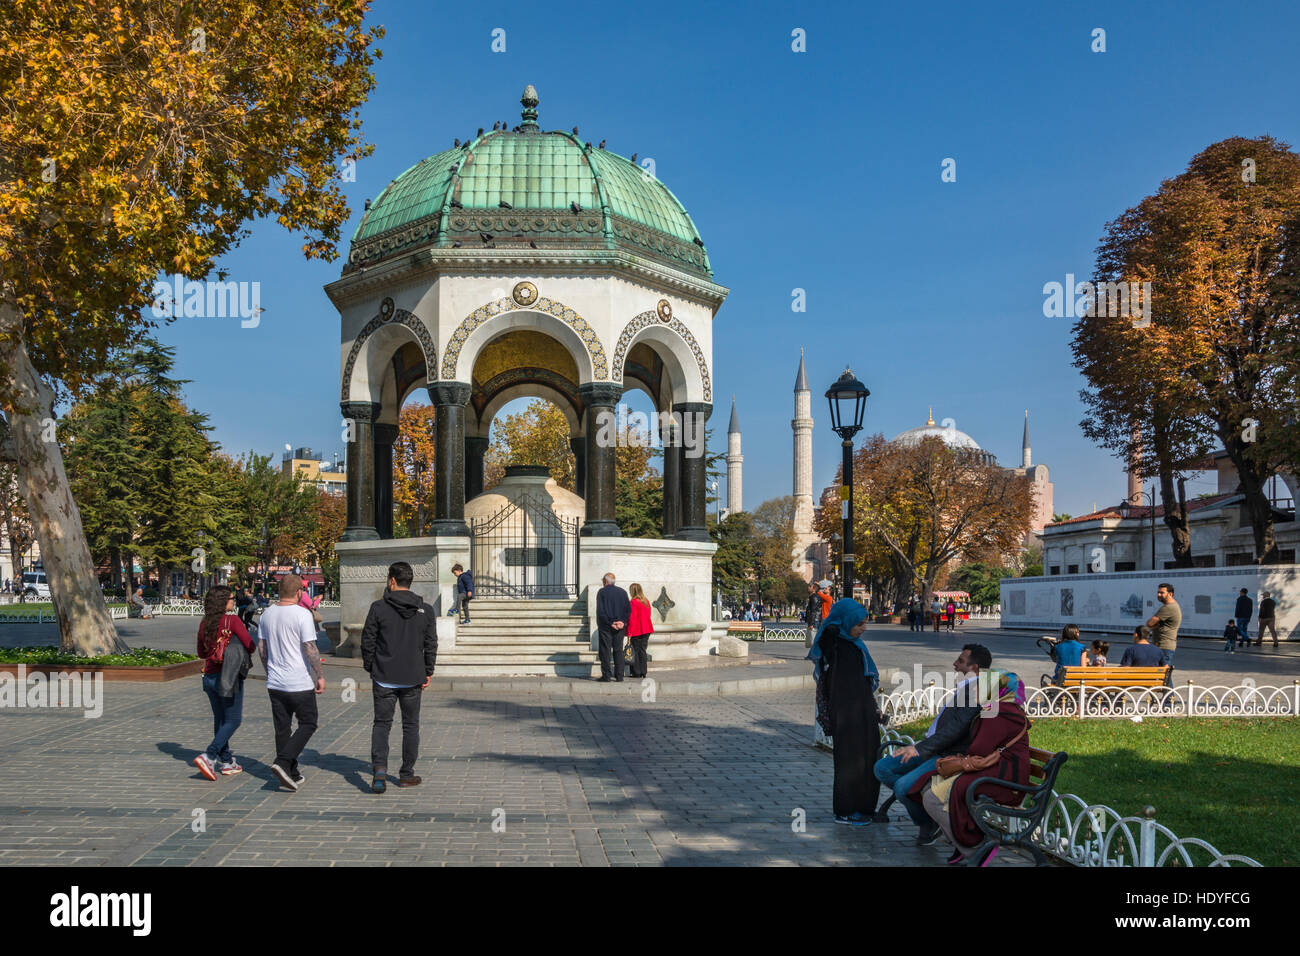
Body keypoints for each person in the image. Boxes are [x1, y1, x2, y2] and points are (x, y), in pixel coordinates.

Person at [909, 672, 1031, 867]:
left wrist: (964, 755)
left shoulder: (998, 712)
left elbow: (979, 749)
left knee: (932, 798)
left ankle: (976, 848)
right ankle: (961, 840)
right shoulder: (998, 708)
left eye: (980, 686)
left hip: (1006, 780)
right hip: (996, 770)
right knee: (927, 787)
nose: (974, 689)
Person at [874, 644, 990, 844]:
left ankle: (927, 823)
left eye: (960, 661)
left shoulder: (978, 691)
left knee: (902, 787)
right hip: (931, 746)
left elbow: (954, 731)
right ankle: (923, 804)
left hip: (947, 754)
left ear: (975, 668)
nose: (954, 664)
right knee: (882, 768)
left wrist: (918, 748)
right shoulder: (967, 686)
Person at [361, 561, 437, 793]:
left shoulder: (378, 608)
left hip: (384, 676)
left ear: (392, 580)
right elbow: (431, 643)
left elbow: (368, 641)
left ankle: (380, 772)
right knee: (410, 725)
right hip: (413, 676)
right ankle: (406, 774)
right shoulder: (425, 609)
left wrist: (371, 667)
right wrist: (428, 671)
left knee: (382, 724)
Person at [808, 599, 881, 826]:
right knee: (850, 763)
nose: (864, 628)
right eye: (859, 624)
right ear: (846, 621)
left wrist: (871, 707)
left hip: (863, 713)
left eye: (865, 623)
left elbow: (862, 682)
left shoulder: (854, 644)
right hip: (847, 715)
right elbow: (836, 686)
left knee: (868, 760)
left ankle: (865, 807)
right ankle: (846, 810)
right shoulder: (837, 647)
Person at [257, 574, 324, 791]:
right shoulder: (302, 614)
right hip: (299, 682)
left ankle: (291, 772)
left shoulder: (266, 614)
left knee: (282, 729)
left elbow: (262, 648)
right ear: (298, 593)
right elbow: (310, 648)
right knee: (309, 723)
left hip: (275, 682)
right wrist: (320, 675)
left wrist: (269, 671)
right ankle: (283, 762)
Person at [193, 585, 257, 780]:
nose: (234, 601)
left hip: (210, 677)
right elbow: (250, 645)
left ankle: (227, 761)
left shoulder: (205, 623)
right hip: (229, 677)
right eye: (231, 598)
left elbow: (201, 653)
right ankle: (210, 755)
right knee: (233, 720)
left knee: (220, 720)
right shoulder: (233, 620)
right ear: (222, 601)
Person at [595, 572, 630, 682]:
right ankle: (619, 676)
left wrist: (610, 623)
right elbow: (628, 610)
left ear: (605, 581)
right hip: (620, 626)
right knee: (618, 650)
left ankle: (606, 676)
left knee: (605, 650)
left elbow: (601, 611)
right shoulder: (623, 592)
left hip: (606, 626)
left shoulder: (602, 592)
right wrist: (622, 622)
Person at [1145, 582, 1181, 667]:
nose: (1159, 595)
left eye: (1162, 593)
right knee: (1162, 676)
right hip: (1164, 646)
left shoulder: (1169, 607)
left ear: (1171, 594)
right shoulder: (1171, 606)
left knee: (1163, 676)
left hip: (1164, 646)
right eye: (1158, 592)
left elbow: (1149, 623)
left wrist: (1154, 625)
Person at [626, 582, 653, 679]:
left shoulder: (633, 602)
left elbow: (631, 619)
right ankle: (643, 671)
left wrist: (629, 633)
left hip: (637, 630)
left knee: (635, 651)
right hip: (647, 629)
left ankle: (636, 672)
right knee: (642, 650)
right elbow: (648, 615)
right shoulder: (646, 601)